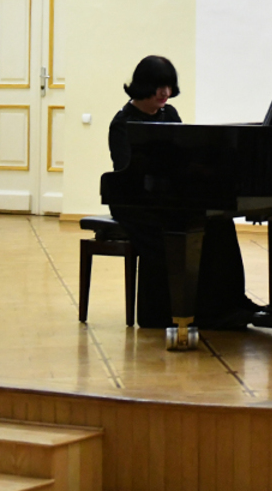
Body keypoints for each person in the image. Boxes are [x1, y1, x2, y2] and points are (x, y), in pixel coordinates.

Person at [106, 56, 259, 330]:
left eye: (169, 86)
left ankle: (229, 304)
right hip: (135, 203)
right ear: (144, 86)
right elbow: (128, 171)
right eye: (159, 86)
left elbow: (181, 156)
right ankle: (167, 313)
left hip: (168, 196)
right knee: (176, 231)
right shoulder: (122, 123)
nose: (165, 92)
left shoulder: (170, 115)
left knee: (220, 222)